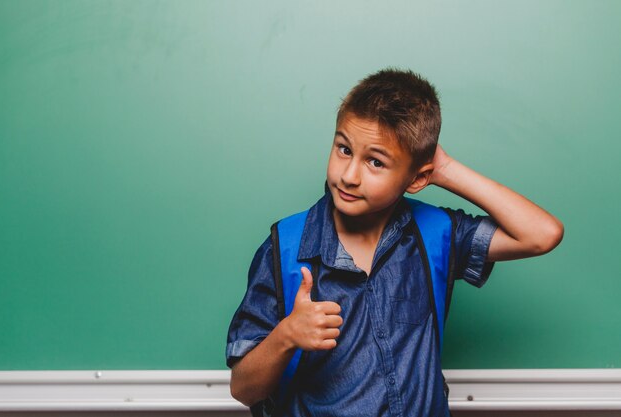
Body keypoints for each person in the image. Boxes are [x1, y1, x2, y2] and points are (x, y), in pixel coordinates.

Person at [225, 68, 564, 417]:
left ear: (417, 177)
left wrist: (444, 169)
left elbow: (541, 234)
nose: (349, 175)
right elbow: (243, 389)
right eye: (343, 149)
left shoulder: (436, 233)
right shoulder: (285, 247)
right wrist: (286, 336)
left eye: (375, 161)